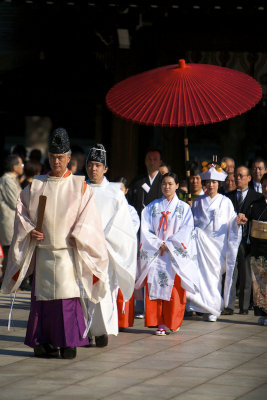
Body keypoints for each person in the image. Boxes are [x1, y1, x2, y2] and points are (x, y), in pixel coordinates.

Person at [1, 128, 109, 359]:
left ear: (69, 158)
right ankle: (43, 342)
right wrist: (30, 230)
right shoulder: (36, 184)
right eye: (52, 156)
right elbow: (21, 212)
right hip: (42, 252)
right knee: (43, 302)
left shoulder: (80, 186)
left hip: (66, 253)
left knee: (66, 300)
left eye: (60, 157)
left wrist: (78, 233)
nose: (56, 161)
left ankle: (68, 342)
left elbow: (89, 217)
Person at [135, 172, 199, 335]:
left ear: (177, 186)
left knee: (174, 290)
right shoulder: (152, 207)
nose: (167, 187)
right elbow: (146, 228)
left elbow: (187, 230)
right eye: (164, 183)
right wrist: (158, 243)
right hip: (157, 253)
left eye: (171, 183)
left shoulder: (184, 208)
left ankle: (172, 321)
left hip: (173, 255)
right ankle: (159, 323)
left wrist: (169, 244)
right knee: (155, 287)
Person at [86, 144, 137, 346]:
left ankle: (101, 331)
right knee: (82, 292)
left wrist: (102, 239)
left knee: (103, 291)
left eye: (98, 165)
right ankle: (84, 330)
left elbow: (123, 226)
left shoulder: (115, 192)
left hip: (105, 249)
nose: (93, 169)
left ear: (106, 168)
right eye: (90, 165)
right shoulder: (79, 189)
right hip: (81, 249)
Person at [186, 164, 244, 321]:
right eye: (209, 182)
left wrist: (237, 222)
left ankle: (213, 307)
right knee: (201, 276)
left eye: (214, 182)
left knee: (214, 277)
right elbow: (192, 223)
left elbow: (231, 221)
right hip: (201, 244)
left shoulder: (225, 202)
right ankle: (201, 306)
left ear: (219, 184)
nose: (211, 185)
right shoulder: (198, 203)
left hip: (217, 246)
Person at [223, 166, 264, 315]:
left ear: (249, 178)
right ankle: (228, 305)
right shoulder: (228, 196)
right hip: (232, 240)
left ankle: (244, 306)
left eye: (241, 176)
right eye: (236, 176)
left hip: (247, 241)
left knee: (246, 275)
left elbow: (258, 215)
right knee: (231, 272)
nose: (237, 178)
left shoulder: (257, 197)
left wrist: (248, 219)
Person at [114, 176, 140, 329]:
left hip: (124, 253)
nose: (118, 192)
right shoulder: (109, 207)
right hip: (111, 251)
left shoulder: (131, 211)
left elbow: (132, 229)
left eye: (121, 189)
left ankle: (123, 320)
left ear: (126, 191)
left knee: (123, 284)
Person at [246, 173, 267, 325]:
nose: (266, 188)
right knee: (259, 282)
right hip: (257, 245)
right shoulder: (256, 203)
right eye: (264, 185)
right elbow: (247, 217)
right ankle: (263, 313)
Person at [0, 154, 24, 285]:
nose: (22, 167)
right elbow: (16, 201)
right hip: (9, 222)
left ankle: (7, 280)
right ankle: (6, 281)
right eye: (21, 164)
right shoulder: (7, 180)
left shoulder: (12, 179)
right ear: (14, 166)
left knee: (11, 253)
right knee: (10, 252)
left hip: (13, 221)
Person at [128, 148, 163, 218]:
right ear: (145, 161)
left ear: (160, 162)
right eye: (149, 159)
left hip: (159, 222)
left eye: (155, 159)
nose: (152, 162)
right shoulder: (137, 181)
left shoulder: (164, 181)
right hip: (139, 220)